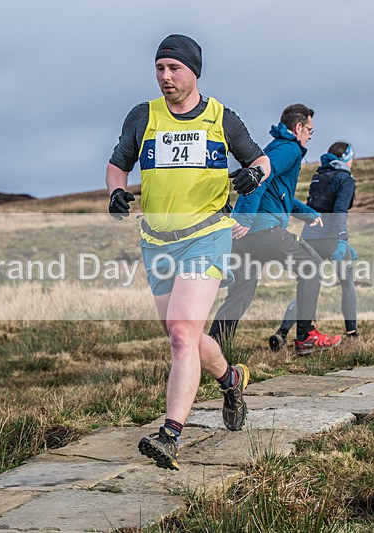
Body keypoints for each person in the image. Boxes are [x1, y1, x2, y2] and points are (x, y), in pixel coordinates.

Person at [105, 34, 271, 470]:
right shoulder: (143, 117)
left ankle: (170, 434)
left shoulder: (221, 118)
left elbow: (261, 160)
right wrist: (117, 192)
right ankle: (231, 378)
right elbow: (118, 164)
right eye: (159, 68)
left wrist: (253, 177)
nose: (165, 77)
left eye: (174, 69)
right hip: (157, 240)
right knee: (187, 335)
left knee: (181, 332)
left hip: (207, 234)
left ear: (194, 71)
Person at [208, 104, 343, 355]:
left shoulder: (276, 148)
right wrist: (244, 218)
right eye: (310, 130)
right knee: (312, 266)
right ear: (298, 127)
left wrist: (307, 214)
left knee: (240, 294)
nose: (311, 136)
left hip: (248, 236)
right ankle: (306, 337)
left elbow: (279, 194)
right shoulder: (289, 148)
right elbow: (259, 176)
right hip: (262, 231)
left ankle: (212, 350)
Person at [269, 142, 358, 351]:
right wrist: (343, 239)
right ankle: (352, 332)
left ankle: (282, 332)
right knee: (347, 283)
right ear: (346, 158)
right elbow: (339, 211)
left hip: (310, 235)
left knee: (306, 287)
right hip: (332, 239)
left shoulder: (319, 176)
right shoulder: (346, 179)